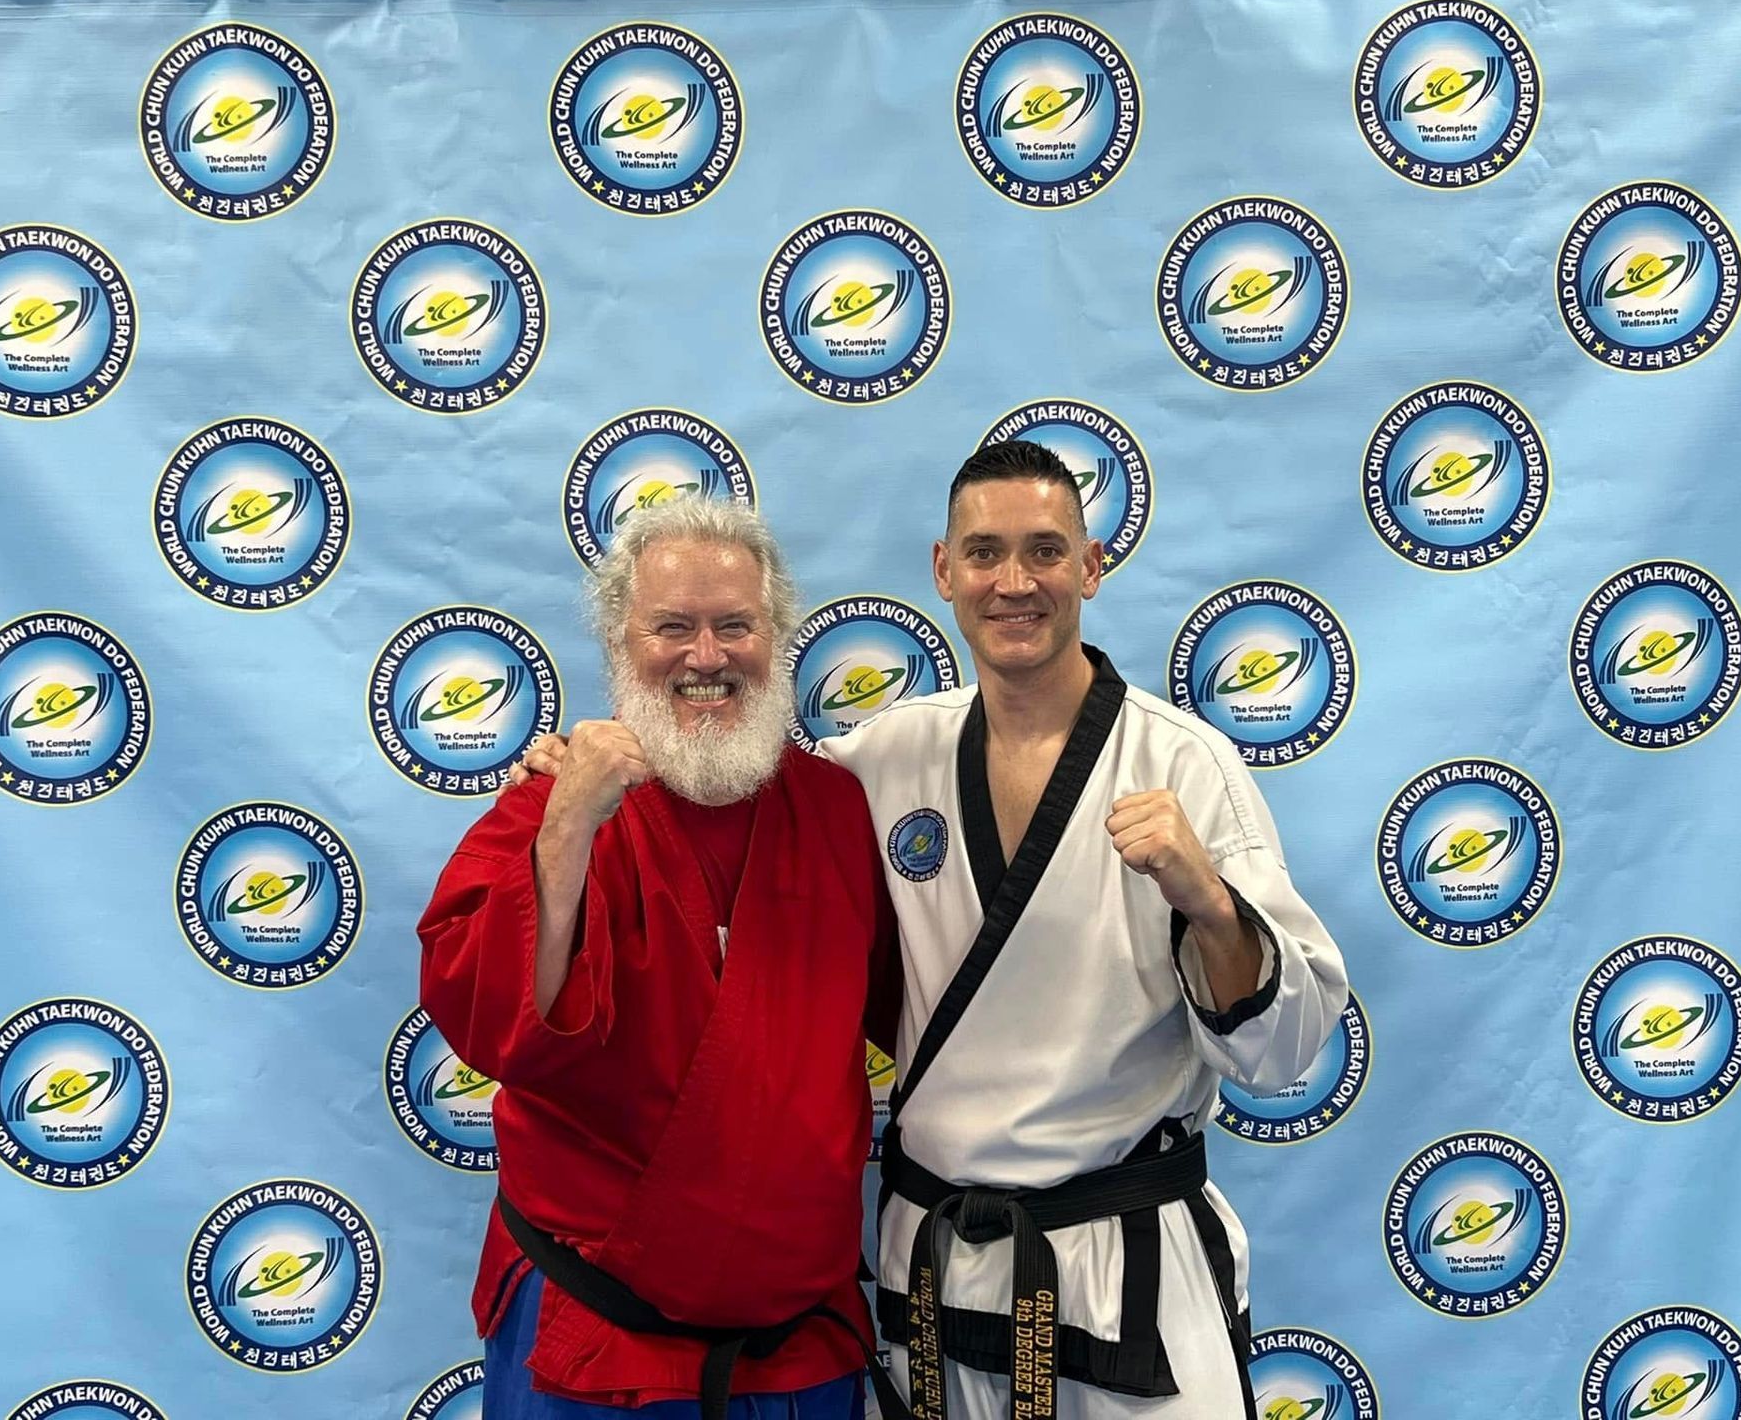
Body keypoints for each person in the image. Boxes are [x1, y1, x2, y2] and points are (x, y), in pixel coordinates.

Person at [521, 442, 1349, 1420]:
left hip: (1121, 1260)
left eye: (1044, 552)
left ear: (1090, 565)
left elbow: (1282, 1048)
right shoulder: (884, 758)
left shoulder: (1184, 765)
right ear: (943, 571)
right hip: (935, 1262)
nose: (1014, 582)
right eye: (985, 552)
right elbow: (728, 778)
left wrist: (1208, 899)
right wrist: (576, 775)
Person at [417, 498, 902, 1420]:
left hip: (803, 1350)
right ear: (619, 644)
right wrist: (568, 821)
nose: (707, 657)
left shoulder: (838, 810)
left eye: (736, 626)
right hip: (599, 1347)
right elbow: (484, 1018)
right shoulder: (549, 810)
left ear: (778, 638)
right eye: (672, 627)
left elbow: (916, 1007)